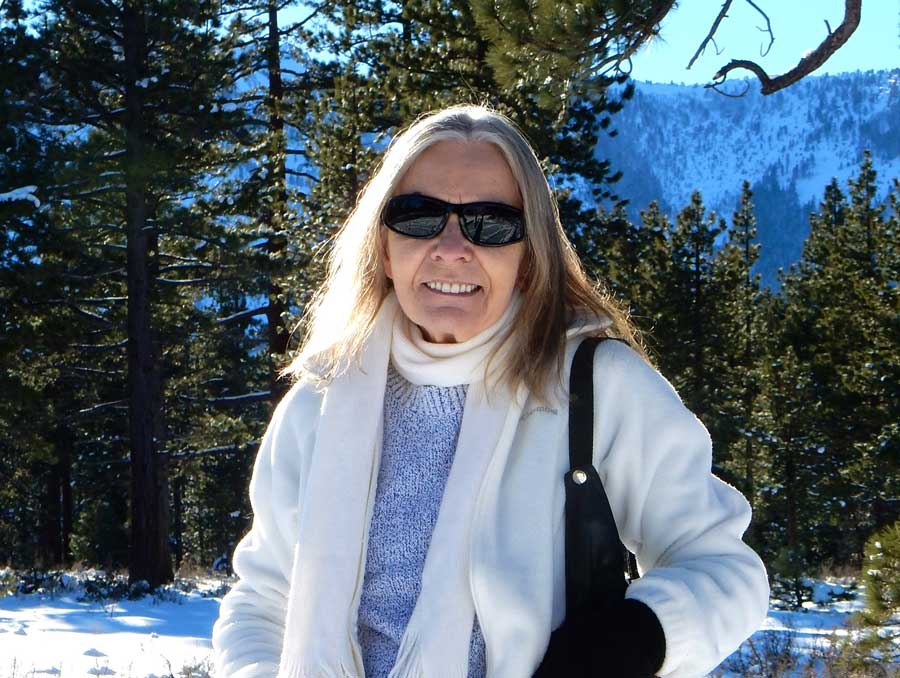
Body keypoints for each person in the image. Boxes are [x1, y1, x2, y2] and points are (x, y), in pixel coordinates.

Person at [211, 104, 770, 678]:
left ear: (528, 257)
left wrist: (628, 642)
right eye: (419, 216)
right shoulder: (320, 402)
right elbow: (262, 601)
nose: (452, 247)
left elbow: (726, 570)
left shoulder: (595, 387)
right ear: (382, 244)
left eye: (490, 223)